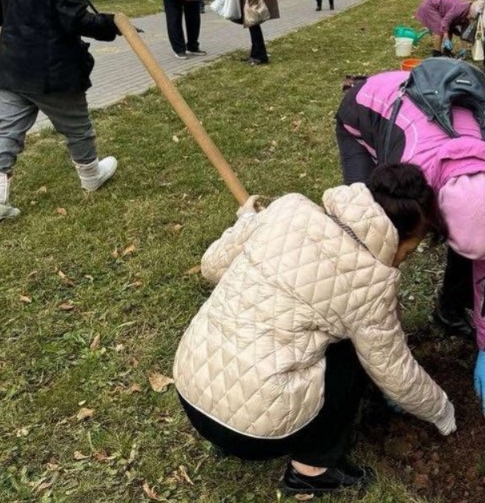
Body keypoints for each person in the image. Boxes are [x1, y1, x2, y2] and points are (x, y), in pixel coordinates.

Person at [173, 163, 456, 497]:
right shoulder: (370, 282)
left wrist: (249, 224)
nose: (404, 260)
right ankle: (313, 468)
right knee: (355, 352)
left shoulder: (288, 208)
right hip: (253, 434)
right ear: (398, 236)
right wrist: (442, 410)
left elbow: (213, 266)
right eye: (409, 250)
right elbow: (395, 373)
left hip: (192, 390)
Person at [336, 63, 485, 420]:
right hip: (366, 113)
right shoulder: (410, 183)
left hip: (430, 132)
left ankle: (449, 310)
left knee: (474, 242)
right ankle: (356, 351)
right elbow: (380, 272)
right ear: (434, 214)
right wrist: (392, 374)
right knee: (368, 243)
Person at [0, 0, 120, 221]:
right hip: (54, 70)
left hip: (13, 64)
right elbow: (75, 18)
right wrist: (111, 24)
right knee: (78, 128)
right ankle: (91, 177)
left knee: (7, 130)